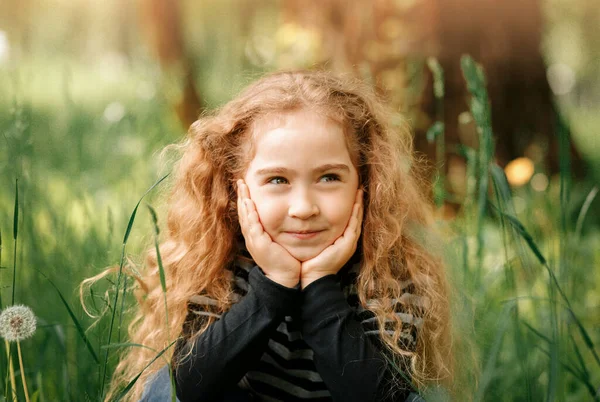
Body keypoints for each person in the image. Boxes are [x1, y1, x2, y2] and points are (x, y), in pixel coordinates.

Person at [97, 70, 453, 401]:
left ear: (365, 184)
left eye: (329, 177)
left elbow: (378, 398)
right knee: (161, 389)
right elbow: (187, 389)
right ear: (238, 192)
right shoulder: (216, 267)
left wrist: (319, 286)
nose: (303, 207)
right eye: (278, 180)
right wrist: (274, 287)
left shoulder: (389, 274)